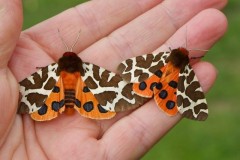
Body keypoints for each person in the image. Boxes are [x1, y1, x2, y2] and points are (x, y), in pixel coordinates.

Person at [0, 0, 227, 159]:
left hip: (56, 89)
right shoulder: (90, 71)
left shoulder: (50, 72)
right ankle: (84, 102)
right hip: (91, 93)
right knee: (107, 92)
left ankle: (58, 103)